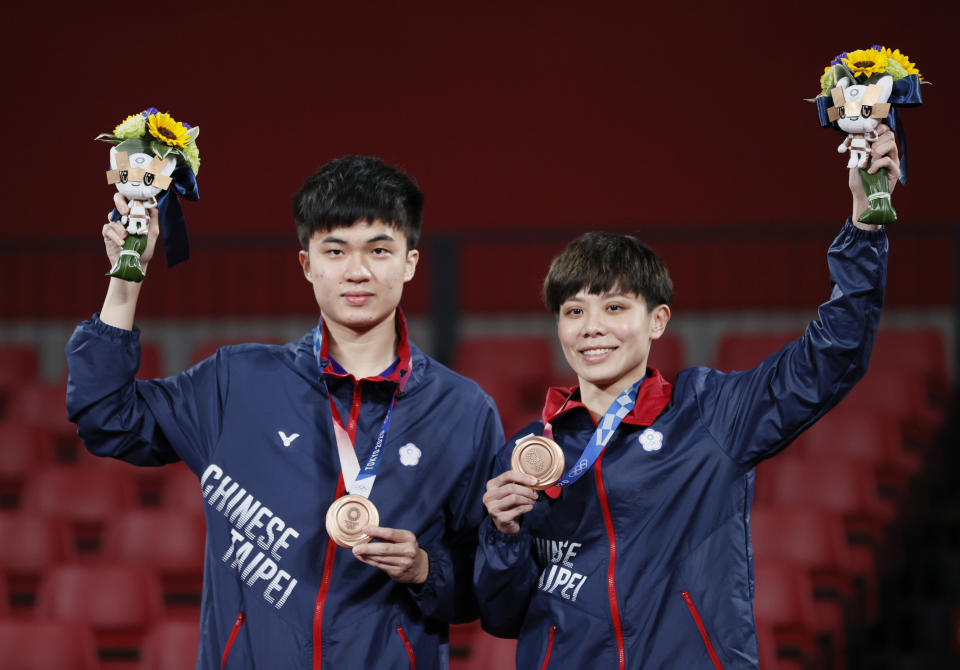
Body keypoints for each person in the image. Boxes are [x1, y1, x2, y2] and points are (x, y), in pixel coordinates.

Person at [474, 128, 900, 669]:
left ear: (657, 321)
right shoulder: (530, 451)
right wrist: (503, 534)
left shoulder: (709, 414)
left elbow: (832, 357)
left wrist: (864, 230)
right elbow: (502, 615)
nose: (591, 329)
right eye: (574, 311)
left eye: (614, 308)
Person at [66, 155, 502, 669]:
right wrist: (126, 278)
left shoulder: (462, 410)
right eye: (335, 250)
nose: (357, 271)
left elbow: (492, 590)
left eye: (379, 250)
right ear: (307, 265)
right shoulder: (237, 381)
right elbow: (105, 416)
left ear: (409, 261)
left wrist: (426, 570)